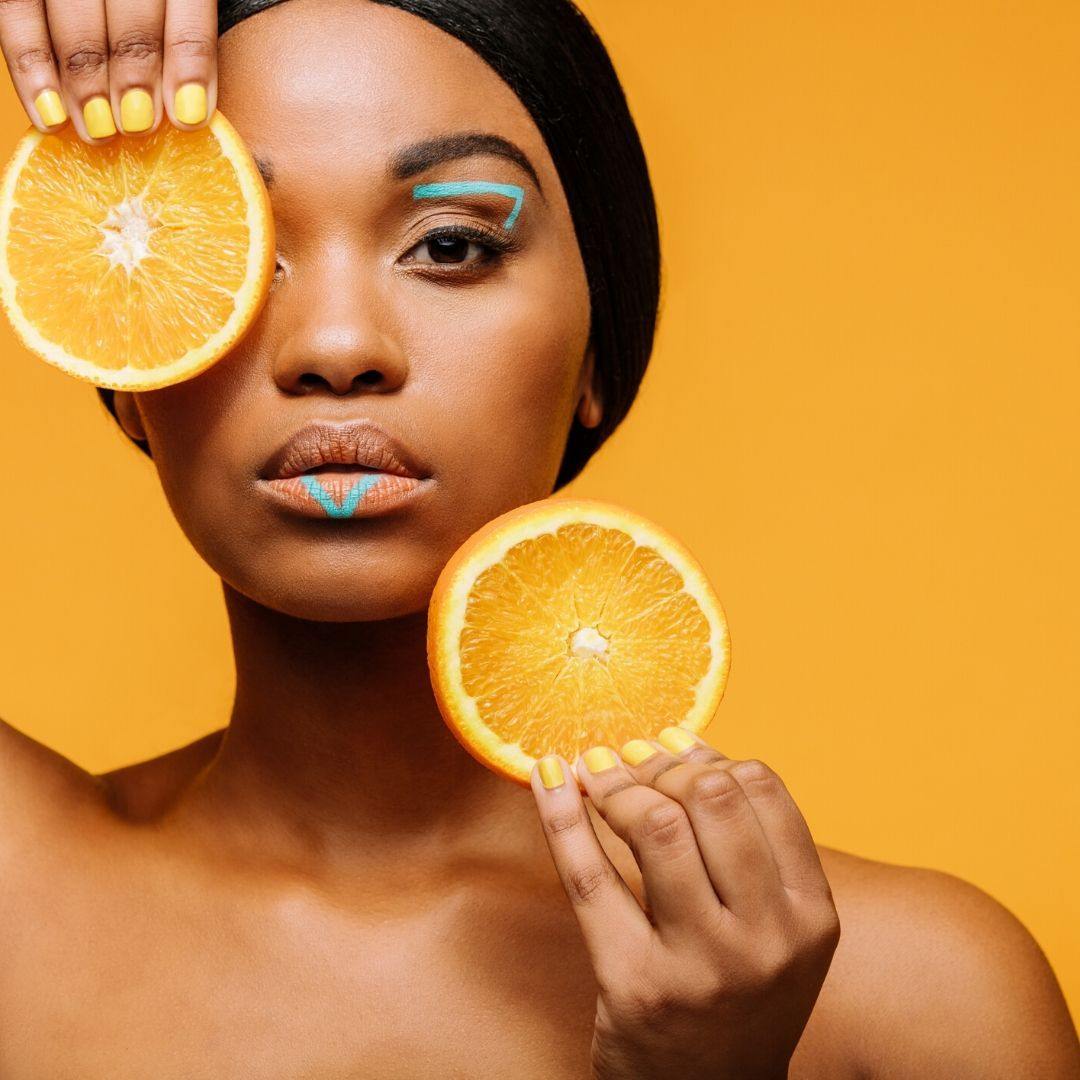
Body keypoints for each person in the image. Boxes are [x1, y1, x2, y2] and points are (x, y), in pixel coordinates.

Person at [0, 1, 1076, 1076]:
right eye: (233, 247)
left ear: (596, 353)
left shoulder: (919, 1001)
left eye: (453, 244)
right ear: (126, 364)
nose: (336, 347)